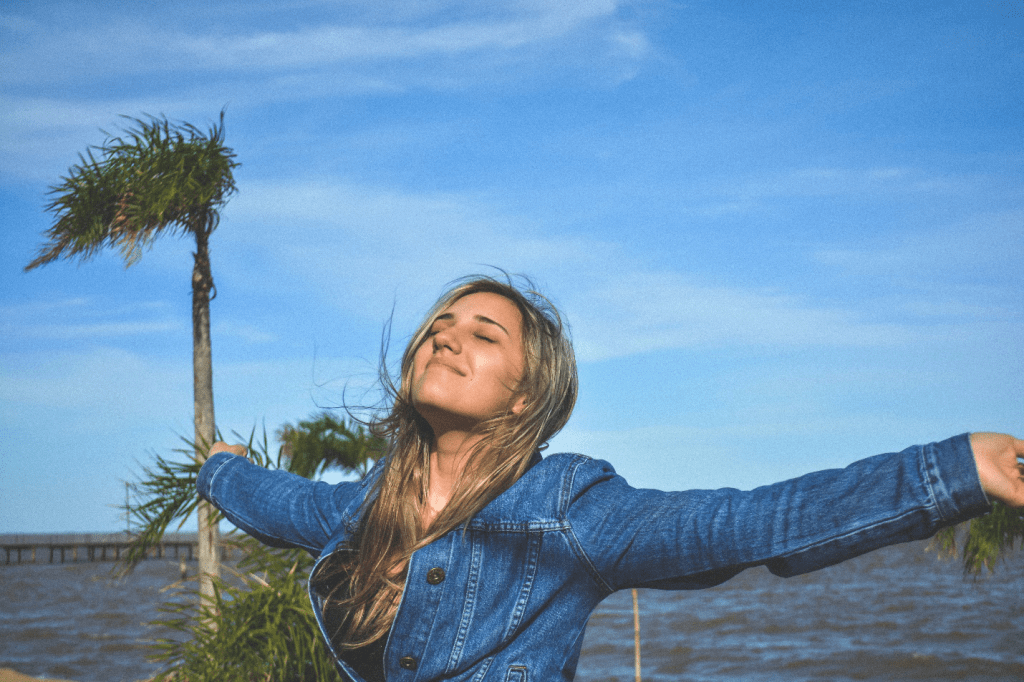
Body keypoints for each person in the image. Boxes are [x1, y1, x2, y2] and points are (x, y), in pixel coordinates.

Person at [198, 275, 1024, 682]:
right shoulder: (367, 509)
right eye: (439, 326)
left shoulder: (568, 513)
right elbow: (281, 502)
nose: (446, 339)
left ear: (525, 394)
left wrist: (952, 469)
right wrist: (222, 473)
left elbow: (749, 522)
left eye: (484, 334)